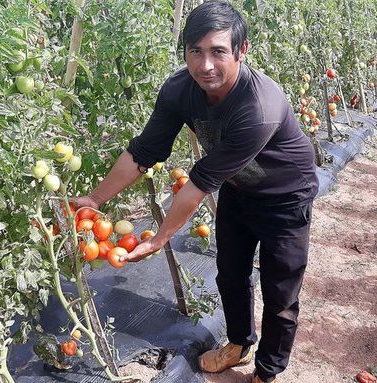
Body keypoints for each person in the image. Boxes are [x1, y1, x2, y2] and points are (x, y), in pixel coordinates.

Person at [74, 1, 318, 382]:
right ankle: (238, 343)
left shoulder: (259, 106)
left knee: (281, 292)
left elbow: (200, 182)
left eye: (218, 51)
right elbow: (144, 152)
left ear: (241, 50)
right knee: (230, 273)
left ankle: (268, 371)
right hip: (237, 189)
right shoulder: (179, 90)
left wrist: (161, 238)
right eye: (196, 51)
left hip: (285, 197)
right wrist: (95, 199)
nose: (205, 65)